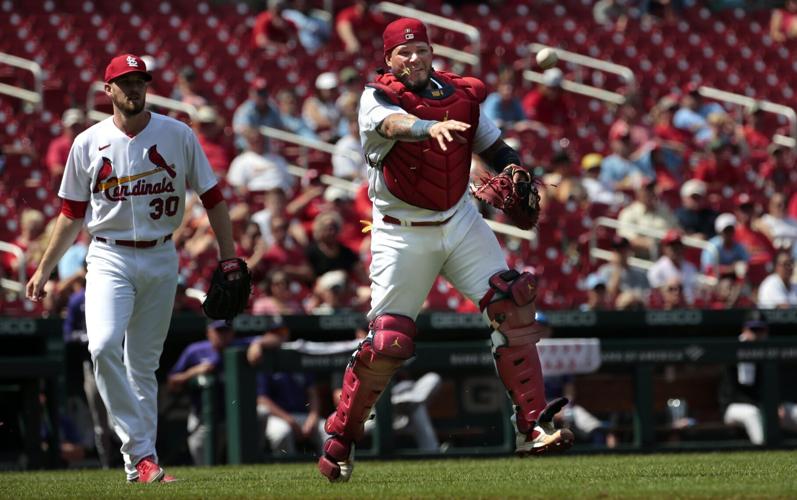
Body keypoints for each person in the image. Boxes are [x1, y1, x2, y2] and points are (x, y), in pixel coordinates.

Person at [317, 18, 573, 483]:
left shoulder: (461, 95)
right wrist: (423, 128)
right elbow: (394, 123)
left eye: (420, 49)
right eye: (404, 53)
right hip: (401, 230)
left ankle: (534, 424)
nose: (414, 58)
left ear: (431, 51)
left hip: (459, 219)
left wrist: (515, 170)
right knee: (388, 343)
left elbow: (494, 145)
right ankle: (340, 438)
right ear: (389, 59)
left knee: (512, 302)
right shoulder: (378, 97)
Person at [25, 54, 240, 484]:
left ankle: (141, 464)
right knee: (103, 346)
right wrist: (45, 267)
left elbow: (212, 197)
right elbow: (70, 214)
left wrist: (229, 255)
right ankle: (140, 452)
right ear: (108, 91)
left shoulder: (178, 133)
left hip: (162, 255)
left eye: (140, 80)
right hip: (108, 255)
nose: (134, 88)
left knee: (143, 364)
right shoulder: (87, 141)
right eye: (125, 82)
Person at [719, 319, 797, 444]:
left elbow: (775, 386)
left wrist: (777, 404)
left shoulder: (770, 351)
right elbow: (738, 393)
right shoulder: (734, 350)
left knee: (794, 412)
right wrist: (768, 407)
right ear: (745, 331)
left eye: (760, 331)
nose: (756, 334)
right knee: (752, 414)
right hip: (734, 406)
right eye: (753, 330)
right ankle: (765, 451)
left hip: (766, 405)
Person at [46, 108, 85, 183]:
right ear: (65, 126)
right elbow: (55, 168)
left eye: (77, 126)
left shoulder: (88, 144)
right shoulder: (57, 144)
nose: (75, 129)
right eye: (72, 126)